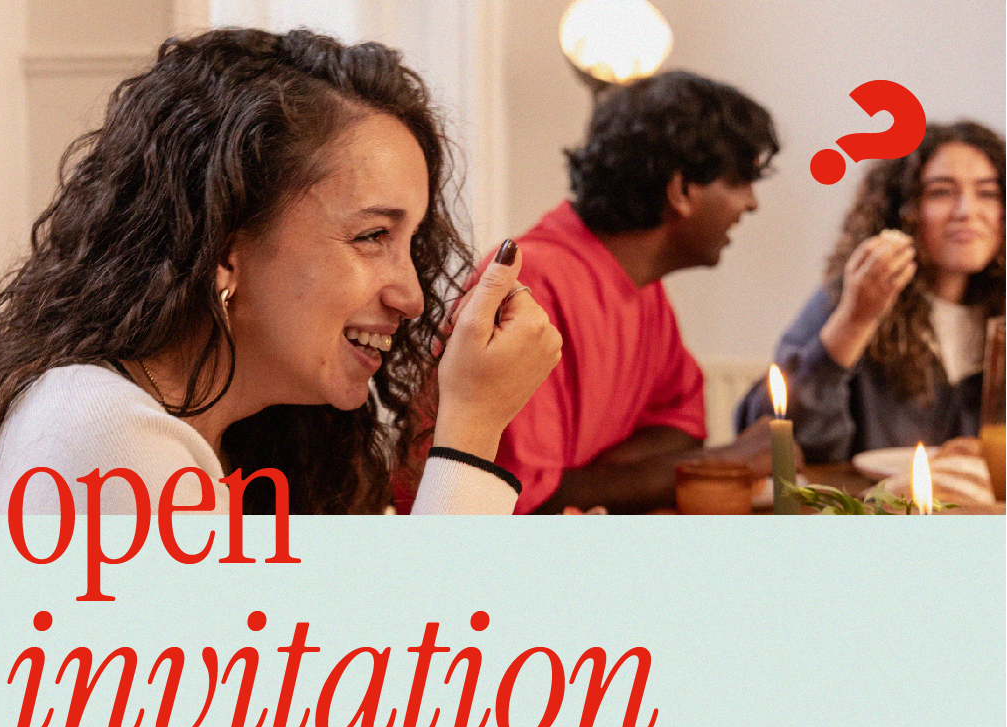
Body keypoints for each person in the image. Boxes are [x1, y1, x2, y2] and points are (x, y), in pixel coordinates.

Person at [0, 29, 561, 516]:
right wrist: (471, 427)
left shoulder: (238, 441)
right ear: (225, 251)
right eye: (373, 236)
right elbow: (423, 647)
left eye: (411, 241)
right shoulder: (103, 437)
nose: (413, 297)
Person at [420, 70, 782, 514]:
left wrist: (592, 479)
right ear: (682, 189)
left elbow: (682, 430)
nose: (751, 203)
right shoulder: (532, 285)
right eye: (739, 181)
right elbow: (522, 501)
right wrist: (725, 463)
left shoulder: (644, 288)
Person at [737, 122, 1006, 461]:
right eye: (941, 192)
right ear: (902, 208)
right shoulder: (855, 293)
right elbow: (772, 437)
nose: (966, 212)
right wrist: (855, 320)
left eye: (988, 193)